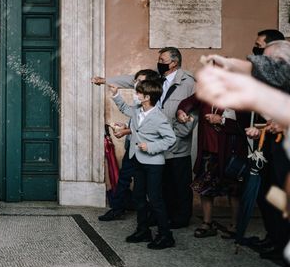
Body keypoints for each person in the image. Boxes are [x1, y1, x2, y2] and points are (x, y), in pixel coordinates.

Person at [94, 47, 196, 228]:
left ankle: (176, 222)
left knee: (178, 183)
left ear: (174, 62)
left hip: (173, 143)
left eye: (163, 59)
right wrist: (107, 83)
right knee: (158, 187)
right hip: (151, 144)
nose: (159, 62)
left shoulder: (188, 83)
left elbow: (191, 111)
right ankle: (153, 221)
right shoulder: (154, 78)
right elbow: (131, 89)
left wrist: (176, 135)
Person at [110, 78, 176, 249]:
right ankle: (143, 230)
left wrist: (152, 146)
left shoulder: (159, 117)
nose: (136, 94)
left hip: (153, 163)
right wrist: (116, 94)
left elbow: (171, 139)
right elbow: (124, 108)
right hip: (137, 160)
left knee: (155, 199)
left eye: (138, 92)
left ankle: (166, 235)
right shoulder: (137, 111)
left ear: (147, 97)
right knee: (139, 197)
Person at [177, 95, 248, 238]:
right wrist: (181, 112)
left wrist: (221, 120)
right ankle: (207, 223)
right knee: (205, 188)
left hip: (230, 153)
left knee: (233, 189)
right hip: (207, 151)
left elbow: (244, 126)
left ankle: (235, 225)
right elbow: (187, 103)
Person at [97, 69, 161, 221]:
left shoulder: (155, 106)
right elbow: (132, 115)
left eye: (141, 82)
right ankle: (118, 208)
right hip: (132, 149)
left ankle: (150, 216)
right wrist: (126, 124)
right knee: (124, 179)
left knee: (146, 186)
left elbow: (148, 128)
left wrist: (126, 131)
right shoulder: (140, 102)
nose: (136, 84)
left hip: (146, 152)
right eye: (136, 81)